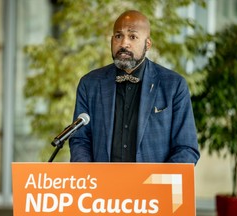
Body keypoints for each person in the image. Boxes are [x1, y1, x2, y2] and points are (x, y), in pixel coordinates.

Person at [69, 10, 200, 164]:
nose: (124, 43)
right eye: (118, 36)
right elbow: (80, 140)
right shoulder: (90, 84)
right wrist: (91, 181)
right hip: (103, 184)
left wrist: (157, 184)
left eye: (133, 36)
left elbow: (186, 148)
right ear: (112, 41)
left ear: (147, 44)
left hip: (152, 186)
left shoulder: (174, 85)